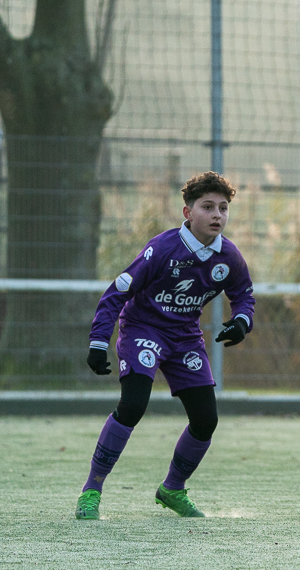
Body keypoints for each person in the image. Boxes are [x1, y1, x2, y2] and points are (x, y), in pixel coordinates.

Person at [74, 171, 255, 520]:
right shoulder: (162, 248)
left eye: (223, 207)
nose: (217, 215)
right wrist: (99, 341)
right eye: (208, 207)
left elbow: (244, 294)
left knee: (206, 420)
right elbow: (117, 291)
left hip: (185, 337)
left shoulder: (228, 256)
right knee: (133, 405)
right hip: (143, 329)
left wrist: (241, 322)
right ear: (187, 212)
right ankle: (91, 490)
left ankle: (172, 488)